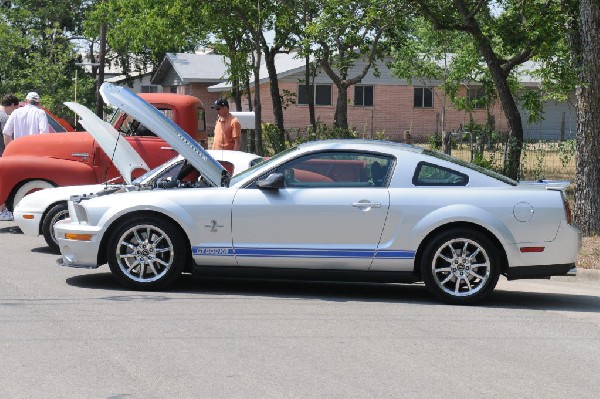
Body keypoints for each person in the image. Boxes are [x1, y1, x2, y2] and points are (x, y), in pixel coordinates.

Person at [1, 92, 50, 221]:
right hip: (35, 155)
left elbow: (6, 133)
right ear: (38, 103)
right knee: (33, 183)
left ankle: (8, 210)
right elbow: (44, 134)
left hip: (17, 153)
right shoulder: (40, 113)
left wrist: (9, 150)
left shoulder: (16, 112)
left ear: (26, 101)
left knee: (14, 183)